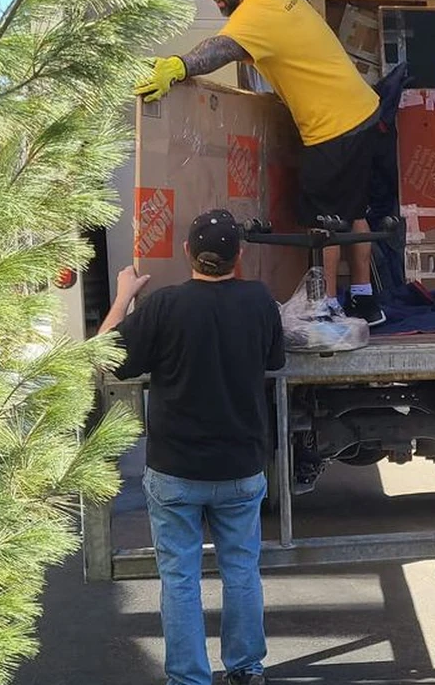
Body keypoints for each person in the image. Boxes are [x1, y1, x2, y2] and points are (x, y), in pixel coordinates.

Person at [136, 0, 386, 326]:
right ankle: (365, 301)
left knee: (325, 222)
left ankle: (325, 309)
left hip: (333, 125)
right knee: (353, 211)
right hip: (362, 110)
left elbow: (220, 49)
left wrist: (179, 66)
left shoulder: (255, 12)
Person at [100, 209, 286, 685]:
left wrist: (123, 296)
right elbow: (275, 360)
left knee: (180, 578)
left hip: (176, 471)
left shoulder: (164, 306)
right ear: (238, 257)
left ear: (187, 252)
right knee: (241, 570)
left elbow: (103, 356)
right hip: (240, 467)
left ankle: (189, 678)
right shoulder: (259, 301)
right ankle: (246, 669)